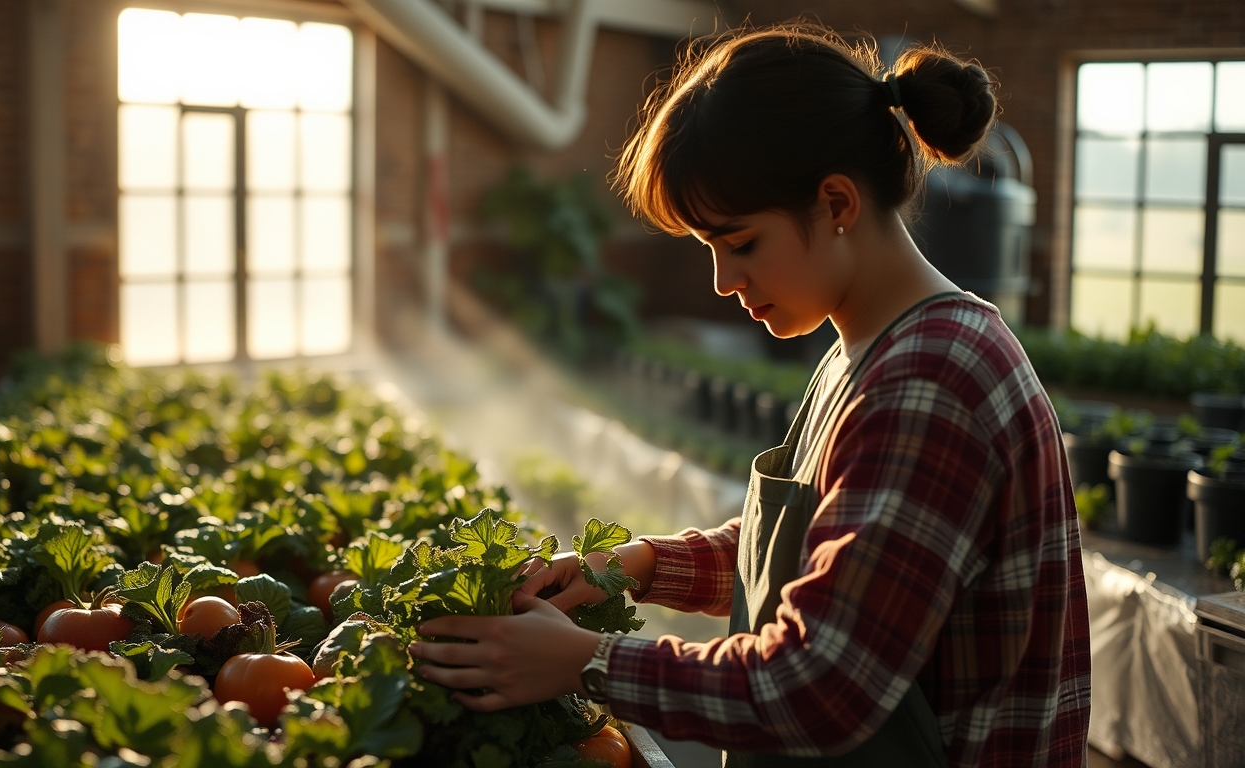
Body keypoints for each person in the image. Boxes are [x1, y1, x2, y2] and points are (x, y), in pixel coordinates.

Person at [408, 22, 1091, 768]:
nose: (723, 281)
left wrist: (587, 662)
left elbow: (820, 688)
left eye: (740, 243)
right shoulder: (869, 350)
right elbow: (817, 556)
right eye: (708, 249)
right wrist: (634, 564)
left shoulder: (932, 381)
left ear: (836, 203)